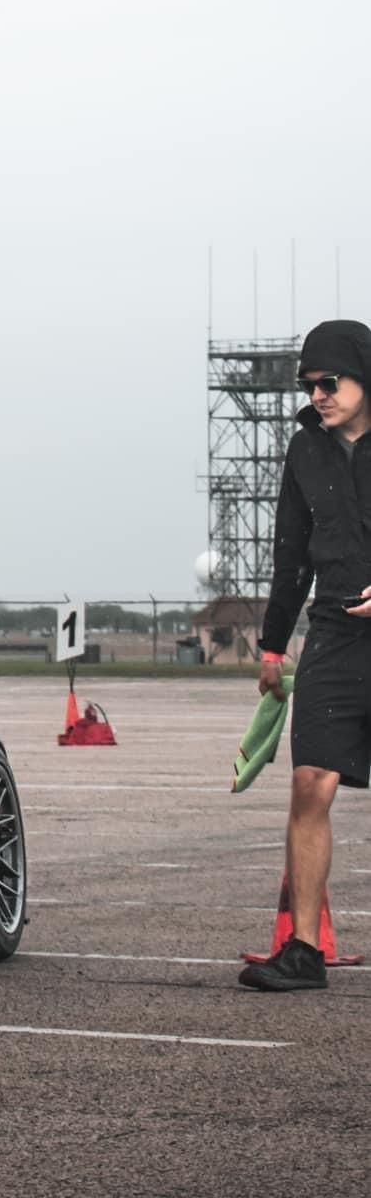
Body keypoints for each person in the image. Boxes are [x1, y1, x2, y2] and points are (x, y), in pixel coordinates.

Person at [238, 318, 371, 992]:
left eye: (330, 382)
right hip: (334, 634)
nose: (318, 394)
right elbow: (290, 553)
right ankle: (303, 951)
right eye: (309, 385)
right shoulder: (304, 450)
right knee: (308, 781)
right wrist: (270, 643)